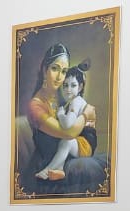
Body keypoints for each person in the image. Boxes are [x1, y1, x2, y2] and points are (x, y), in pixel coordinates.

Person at [25, 43, 87, 183]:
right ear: (44, 69)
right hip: (44, 166)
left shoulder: (64, 96)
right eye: (55, 69)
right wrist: (86, 114)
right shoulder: (36, 105)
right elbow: (69, 134)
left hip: (64, 161)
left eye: (64, 71)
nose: (60, 77)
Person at [35, 63, 97, 182]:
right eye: (65, 85)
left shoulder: (77, 101)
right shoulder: (71, 102)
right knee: (65, 142)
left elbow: (67, 124)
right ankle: (59, 170)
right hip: (81, 141)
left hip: (86, 144)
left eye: (73, 85)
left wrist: (60, 114)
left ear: (80, 87)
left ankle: (47, 170)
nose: (68, 90)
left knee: (66, 142)